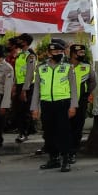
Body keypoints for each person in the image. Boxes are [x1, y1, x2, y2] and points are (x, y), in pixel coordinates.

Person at [30, 41, 78, 172]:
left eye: (60, 52)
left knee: (63, 133)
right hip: (46, 104)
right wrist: (34, 107)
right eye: (55, 52)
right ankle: (53, 158)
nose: (58, 54)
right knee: (49, 133)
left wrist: (73, 106)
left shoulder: (68, 67)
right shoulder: (41, 68)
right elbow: (36, 90)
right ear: (49, 53)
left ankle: (66, 159)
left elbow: (74, 88)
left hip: (63, 103)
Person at [68, 43, 97, 164]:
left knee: (77, 128)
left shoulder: (87, 66)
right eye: (79, 53)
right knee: (64, 127)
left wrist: (86, 94)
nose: (82, 55)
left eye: (83, 53)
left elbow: (92, 82)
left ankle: (72, 152)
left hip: (81, 102)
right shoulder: (64, 66)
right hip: (65, 101)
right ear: (73, 54)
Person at [12, 33, 38, 142]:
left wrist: (24, 90)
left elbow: (30, 73)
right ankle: (25, 130)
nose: (18, 42)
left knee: (25, 110)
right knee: (19, 110)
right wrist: (14, 85)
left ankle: (24, 133)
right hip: (19, 85)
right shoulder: (20, 55)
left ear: (25, 42)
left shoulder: (30, 55)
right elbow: (17, 71)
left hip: (27, 86)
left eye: (20, 40)